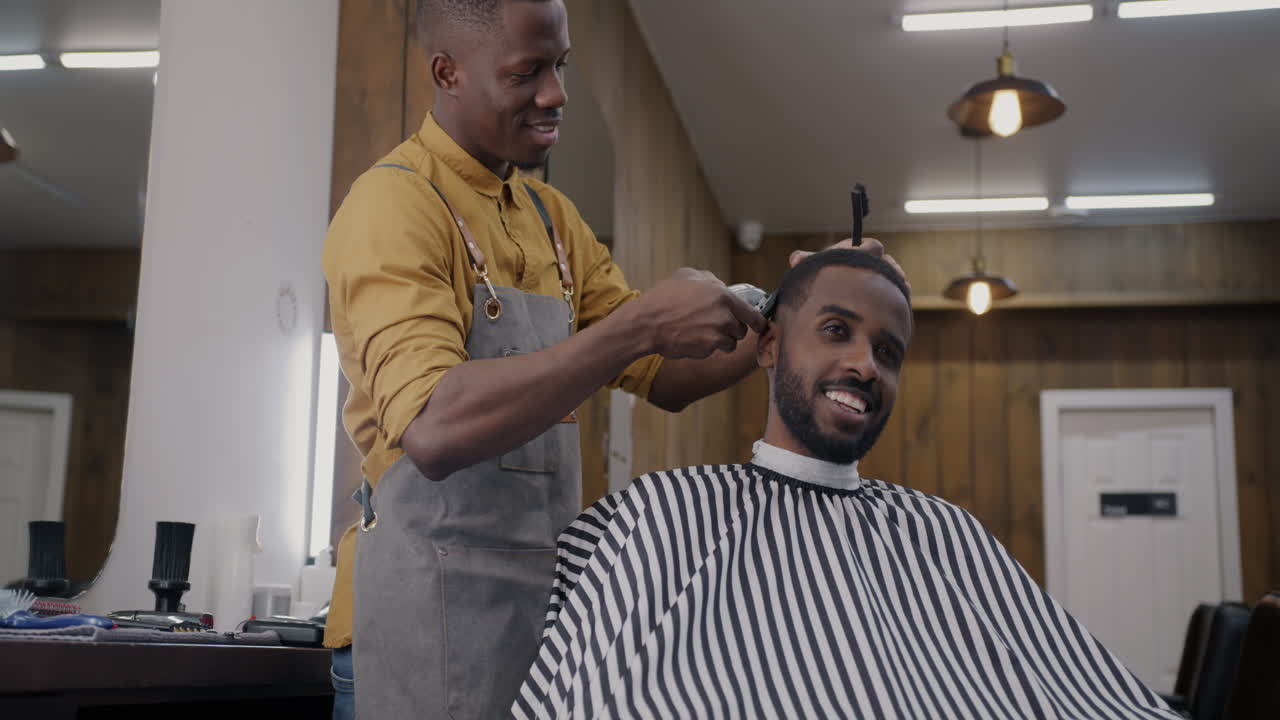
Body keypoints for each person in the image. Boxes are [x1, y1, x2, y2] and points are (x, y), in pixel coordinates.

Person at [321, 1, 901, 717]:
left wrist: (801, 307)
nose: (556, 93)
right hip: (417, 618)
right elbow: (436, 428)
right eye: (526, 72)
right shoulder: (394, 206)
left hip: (545, 616)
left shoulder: (550, 219)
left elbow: (669, 378)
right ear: (446, 71)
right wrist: (640, 326)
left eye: (559, 66)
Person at [513, 249, 1181, 720]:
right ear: (767, 346)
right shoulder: (661, 515)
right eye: (836, 331)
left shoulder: (938, 533)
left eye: (888, 352)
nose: (865, 364)